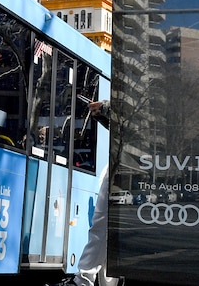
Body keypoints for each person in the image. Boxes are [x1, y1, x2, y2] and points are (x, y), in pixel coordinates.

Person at [49, 100, 122, 286]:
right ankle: (98, 282)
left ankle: (83, 281)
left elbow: (132, 119)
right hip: (126, 162)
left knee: (102, 226)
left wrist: (105, 108)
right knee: (110, 231)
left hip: (122, 165)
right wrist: (104, 116)